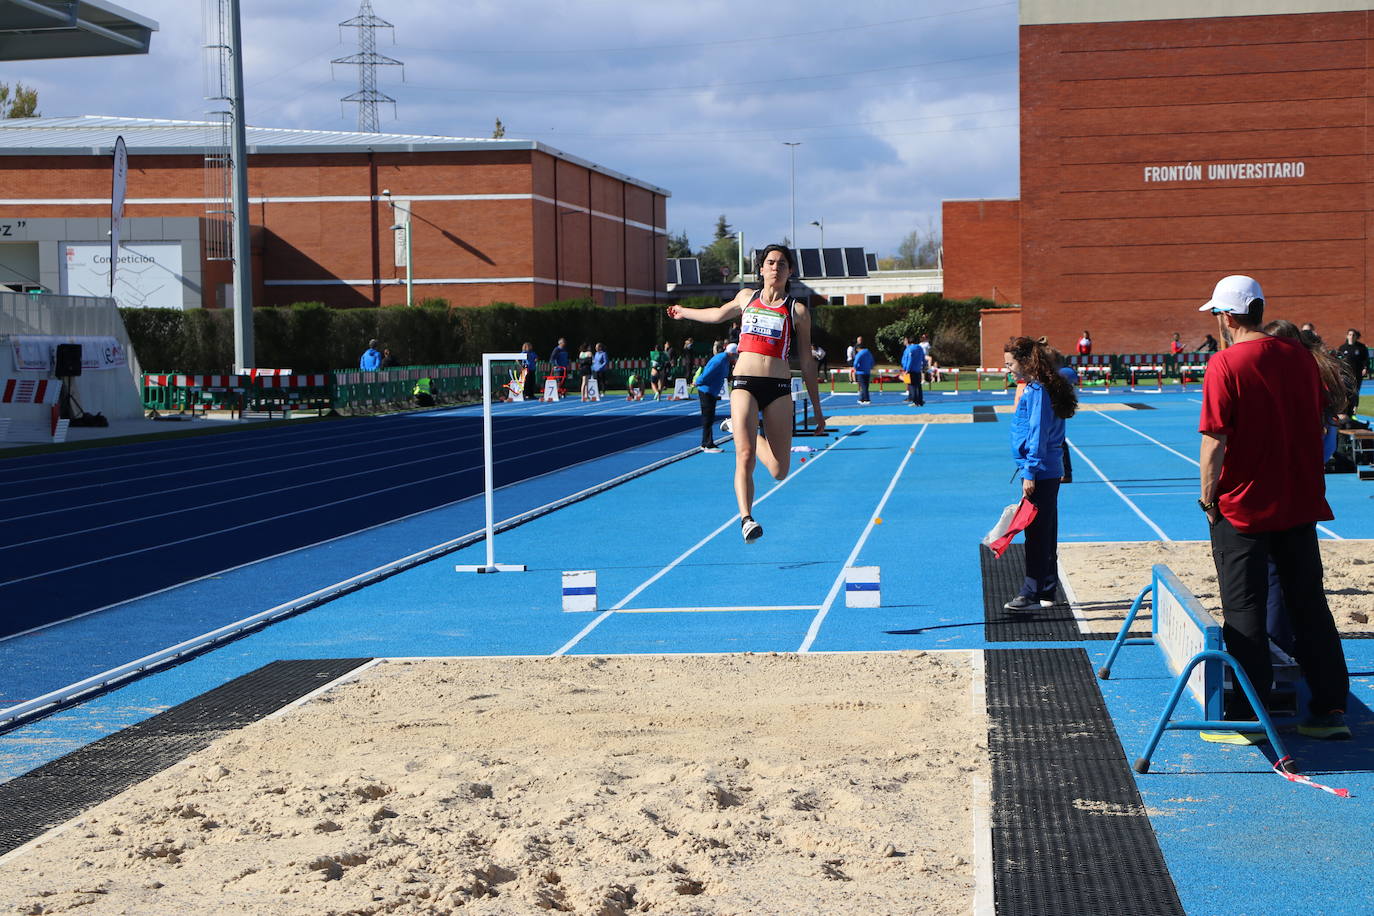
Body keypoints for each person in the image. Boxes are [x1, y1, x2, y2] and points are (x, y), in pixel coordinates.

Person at [1197, 275, 1350, 741]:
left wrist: (1208, 497)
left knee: (1244, 609)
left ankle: (1249, 715)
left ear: (1226, 317)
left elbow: (1214, 441)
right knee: (1309, 605)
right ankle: (1327, 709)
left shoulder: (1225, 363)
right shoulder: (1303, 359)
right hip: (1299, 501)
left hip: (1245, 504)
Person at [666, 243, 826, 543]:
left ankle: (747, 430)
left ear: (790, 271)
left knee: (779, 470)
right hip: (744, 382)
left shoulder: (798, 311)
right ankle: (746, 519)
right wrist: (683, 311)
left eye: (781, 263)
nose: (775, 267)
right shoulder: (746, 298)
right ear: (761, 269)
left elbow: (806, 361)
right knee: (745, 455)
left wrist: (817, 410)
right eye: (770, 262)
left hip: (778, 387)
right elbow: (717, 314)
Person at [1002, 337, 1078, 611]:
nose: (1008, 369)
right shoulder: (1042, 387)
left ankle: (1031, 592)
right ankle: (1046, 589)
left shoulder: (1037, 390)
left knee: (1035, 533)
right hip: (1044, 467)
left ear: (1024, 361)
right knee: (1044, 529)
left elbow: (1038, 432)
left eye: (1010, 364)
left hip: (1041, 469)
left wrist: (1030, 471)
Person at [694, 341, 736, 452]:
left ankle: (706, 443)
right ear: (731, 353)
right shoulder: (719, 360)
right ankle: (707, 444)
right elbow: (707, 373)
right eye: (736, 355)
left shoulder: (726, 361)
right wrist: (698, 382)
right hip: (706, 390)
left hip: (712, 391)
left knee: (709, 417)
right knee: (708, 417)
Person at [1335, 329, 1369, 419]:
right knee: (1346, 393)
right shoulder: (1342, 348)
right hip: (1345, 375)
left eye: (1353, 335)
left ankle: (1354, 412)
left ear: (1356, 337)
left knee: (1355, 392)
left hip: (1357, 374)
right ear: (1347, 336)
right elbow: (1338, 360)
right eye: (1350, 335)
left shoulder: (1361, 348)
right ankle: (1345, 411)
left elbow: (1366, 359)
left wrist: (1365, 368)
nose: (1351, 336)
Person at [900, 334, 926, 406]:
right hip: (918, 369)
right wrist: (924, 366)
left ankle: (915, 401)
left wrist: (907, 369)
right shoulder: (920, 348)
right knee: (918, 386)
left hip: (911, 369)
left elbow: (909, 360)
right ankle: (920, 401)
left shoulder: (910, 349)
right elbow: (923, 358)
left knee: (912, 385)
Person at [853, 337, 875, 405]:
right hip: (867, 371)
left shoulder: (859, 354)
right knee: (866, 386)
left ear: (858, 348)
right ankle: (861, 399)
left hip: (861, 371)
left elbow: (856, 362)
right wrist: (870, 367)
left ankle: (867, 399)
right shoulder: (869, 352)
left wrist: (855, 368)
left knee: (863, 386)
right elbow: (872, 361)